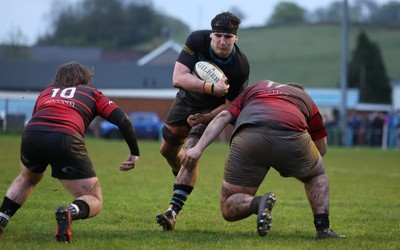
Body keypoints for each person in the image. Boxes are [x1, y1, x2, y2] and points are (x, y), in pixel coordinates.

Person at [181, 80, 346, 239]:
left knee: (228, 204)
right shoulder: (305, 98)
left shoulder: (256, 88)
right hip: (291, 136)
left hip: (249, 136)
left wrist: (198, 148)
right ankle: (322, 227)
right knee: (316, 175)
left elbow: (224, 115)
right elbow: (322, 149)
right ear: (297, 90)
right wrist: (301, 165)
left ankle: (258, 203)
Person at [0, 61, 140, 243]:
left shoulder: (46, 92)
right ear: (84, 79)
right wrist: (134, 152)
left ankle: (2, 218)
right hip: (65, 137)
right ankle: (70, 212)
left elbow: (38, 118)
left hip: (31, 133)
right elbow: (122, 119)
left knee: (27, 177)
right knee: (94, 198)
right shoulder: (92, 93)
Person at [156, 11, 250, 231]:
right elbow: (178, 78)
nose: (222, 41)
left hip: (211, 110)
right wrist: (211, 88)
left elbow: (231, 105)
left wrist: (206, 117)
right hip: (186, 101)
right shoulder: (197, 40)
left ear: (236, 38)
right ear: (211, 35)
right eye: (218, 35)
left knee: (191, 155)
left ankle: (173, 211)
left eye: (228, 37)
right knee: (167, 150)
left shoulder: (240, 66)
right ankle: (182, 176)